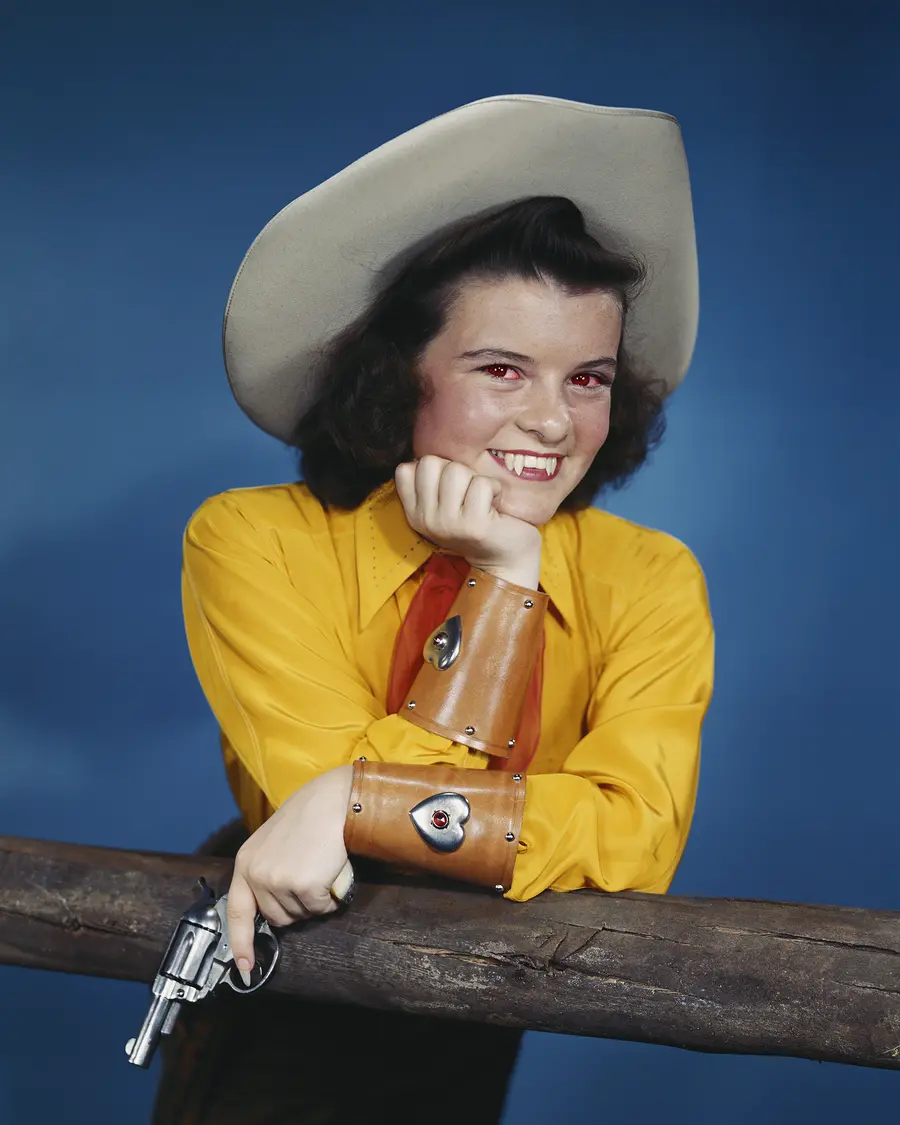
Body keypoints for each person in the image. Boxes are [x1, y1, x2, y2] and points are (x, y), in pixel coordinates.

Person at [152, 94, 714, 1124]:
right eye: (502, 369)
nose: (553, 419)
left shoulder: (652, 576)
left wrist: (346, 800)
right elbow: (333, 819)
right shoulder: (253, 538)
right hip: (284, 978)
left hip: (483, 1003)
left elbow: (637, 837)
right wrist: (504, 582)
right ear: (397, 375)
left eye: (586, 377)